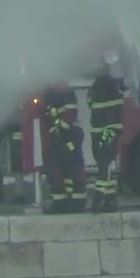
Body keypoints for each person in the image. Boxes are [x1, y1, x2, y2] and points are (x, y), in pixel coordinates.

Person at [88, 51, 127, 212]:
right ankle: (110, 200)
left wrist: (107, 135)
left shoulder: (106, 87)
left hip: (105, 133)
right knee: (105, 164)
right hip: (101, 133)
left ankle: (98, 199)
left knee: (104, 165)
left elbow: (112, 115)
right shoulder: (105, 87)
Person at [42, 82, 88, 213]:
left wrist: (59, 131)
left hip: (68, 137)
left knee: (73, 171)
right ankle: (60, 203)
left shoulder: (66, 94)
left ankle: (77, 203)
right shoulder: (51, 95)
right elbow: (48, 116)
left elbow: (70, 115)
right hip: (57, 140)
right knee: (57, 172)